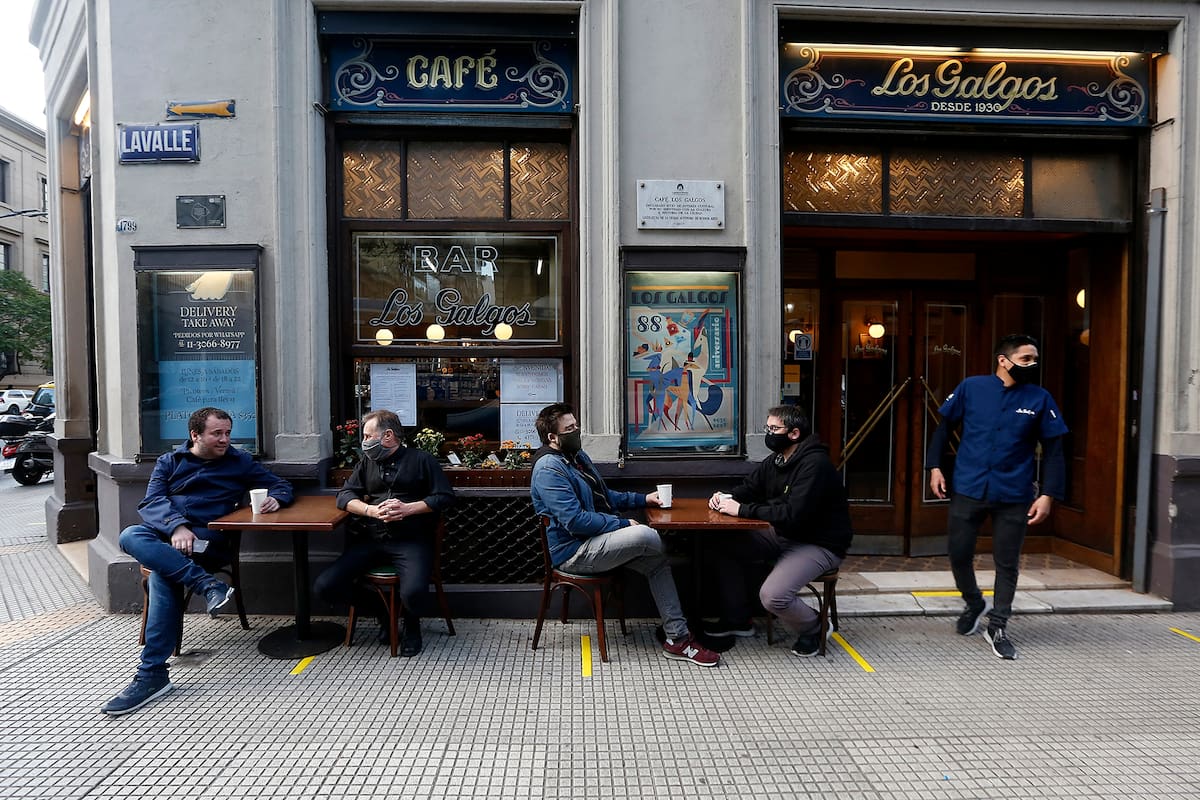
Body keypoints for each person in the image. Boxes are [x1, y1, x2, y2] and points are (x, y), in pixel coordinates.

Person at [101, 407, 293, 716]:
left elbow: (281, 485)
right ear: (195, 435)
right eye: (217, 433)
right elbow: (151, 502)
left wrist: (278, 498)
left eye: (228, 433)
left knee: (164, 574)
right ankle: (207, 585)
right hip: (167, 537)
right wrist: (176, 527)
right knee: (129, 535)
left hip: (208, 542)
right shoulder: (170, 462)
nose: (225, 439)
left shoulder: (238, 461)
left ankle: (152, 675)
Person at [529, 402, 720, 667]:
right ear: (552, 437)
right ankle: (670, 543)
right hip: (574, 551)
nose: (577, 432)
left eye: (576, 426)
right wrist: (621, 525)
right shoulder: (549, 469)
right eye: (570, 428)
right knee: (646, 536)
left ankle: (678, 639)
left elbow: (606, 497)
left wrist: (644, 499)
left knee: (656, 561)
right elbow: (574, 521)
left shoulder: (577, 458)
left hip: (598, 543)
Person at [926, 333, 1068, 660]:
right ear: (1003, 361)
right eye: (1026, 359)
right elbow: (943, 429)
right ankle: (974, 601)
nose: (1032, 365)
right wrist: (934, 467)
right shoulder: (971, 388)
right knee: (958, 552)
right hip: (969, 486)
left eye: (1035, 359)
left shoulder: (1040, 398)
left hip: (1014, 492)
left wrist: (1047, 494)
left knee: (1007, 561)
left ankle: (998, 623)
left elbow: (1055, 452)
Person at [707, 405, 853, 657]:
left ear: (794, 433)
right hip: (784, 534)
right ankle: (738, 620)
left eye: (774, 429)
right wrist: (724, 497)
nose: (769, 433)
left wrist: (740, 510)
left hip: (818, 543)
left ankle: (815, 627)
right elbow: (750, 487)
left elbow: (792, 514)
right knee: (722, 545)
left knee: (774, 596)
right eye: (767, 428)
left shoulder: (814, 465)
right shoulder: (777, 460)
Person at [315, 409, 455, 657]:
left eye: (368, 436)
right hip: (372, 539)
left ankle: (412, 627)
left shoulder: (422, 460)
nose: (364, 442)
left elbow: (443, 497)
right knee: (326, 586)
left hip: (411, 540)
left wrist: (407, 509)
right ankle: (384, 614)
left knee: (412, 594)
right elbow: (344, 497)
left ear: (388, 436)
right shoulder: (367, 463)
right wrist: (371, 510)